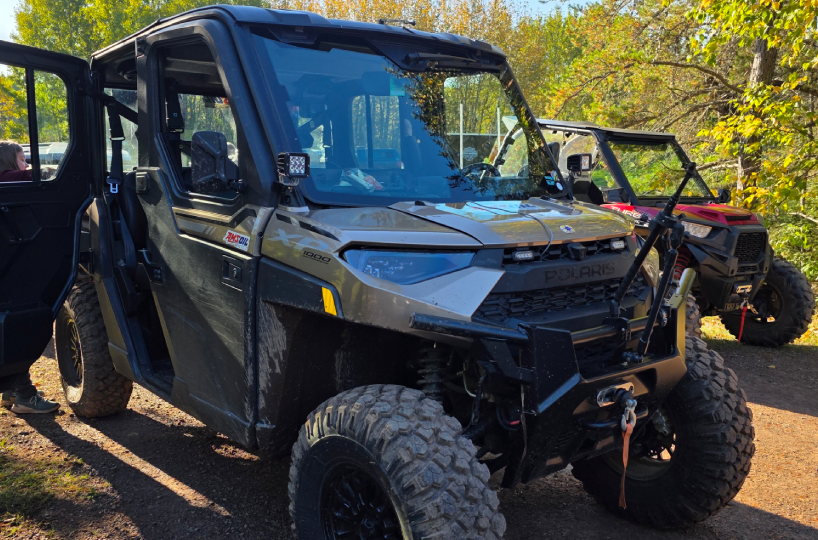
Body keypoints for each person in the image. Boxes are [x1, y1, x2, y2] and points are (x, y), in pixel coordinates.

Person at [0, 140, 60, 413]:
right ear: (10, 162)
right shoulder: (13, 177)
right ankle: (24, 396)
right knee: (20, 324)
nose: (26, 164)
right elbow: (44, 175)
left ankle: (14, 391)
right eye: (23, 159)